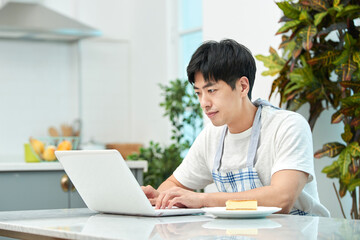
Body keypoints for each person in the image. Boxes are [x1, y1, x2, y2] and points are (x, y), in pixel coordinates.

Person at [142, 39, 330, 216]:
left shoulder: (288, 126)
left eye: (211, 91)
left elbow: (281, 199)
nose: (203, 103)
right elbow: (174, 184)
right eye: (199, 93)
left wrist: (202, 199)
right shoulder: (212, 136)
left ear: (242, 86)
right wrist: (161, 198)